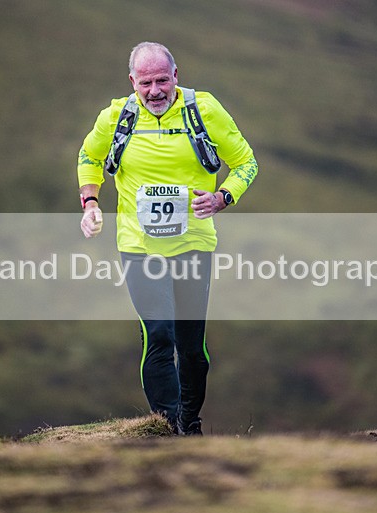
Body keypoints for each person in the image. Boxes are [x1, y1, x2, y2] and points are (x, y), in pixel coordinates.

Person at [76, 42, 257, 435]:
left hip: (193, 243)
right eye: (146, 83)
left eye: (162, 80)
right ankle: (169, 426)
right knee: (159, 334)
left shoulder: (204, 111)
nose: (155, 90)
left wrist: (223, 196)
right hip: (138, 246)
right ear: (132, 82)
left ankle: (190, 423)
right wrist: (91, 201)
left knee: (192, 349)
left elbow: (246, 162)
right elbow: (89, 156)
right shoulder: (116, 116)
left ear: (177, 76)